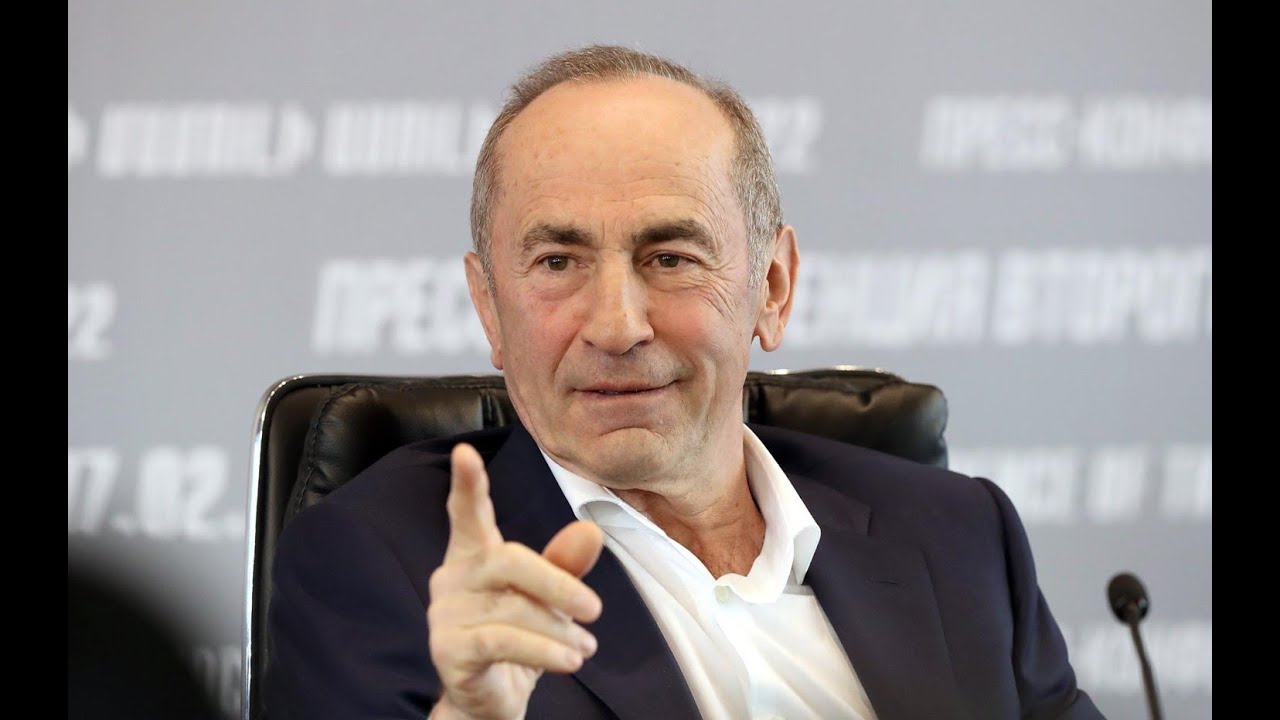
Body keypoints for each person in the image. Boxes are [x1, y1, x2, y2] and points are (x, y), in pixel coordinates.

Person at [266, 44, 1103, 719]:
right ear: (489, 306)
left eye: (669, 258)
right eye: (557, 262)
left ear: (772, 288)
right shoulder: (381, 566)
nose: (616, 326)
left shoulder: (959, 536)